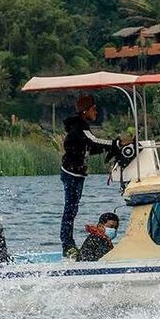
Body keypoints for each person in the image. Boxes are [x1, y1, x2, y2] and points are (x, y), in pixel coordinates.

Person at [59, 94, 120, 259]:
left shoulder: (80, 126)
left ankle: (67, 243)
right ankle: (67, 245)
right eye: (94, 109)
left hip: (75, 173)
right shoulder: (80, 127)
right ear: (85, 111)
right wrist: (116, 144)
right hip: (71, 173)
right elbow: (93, 142)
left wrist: (112, 148)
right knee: (70, 210)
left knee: (72, 209)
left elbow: (91, 148)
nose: (96, 112)